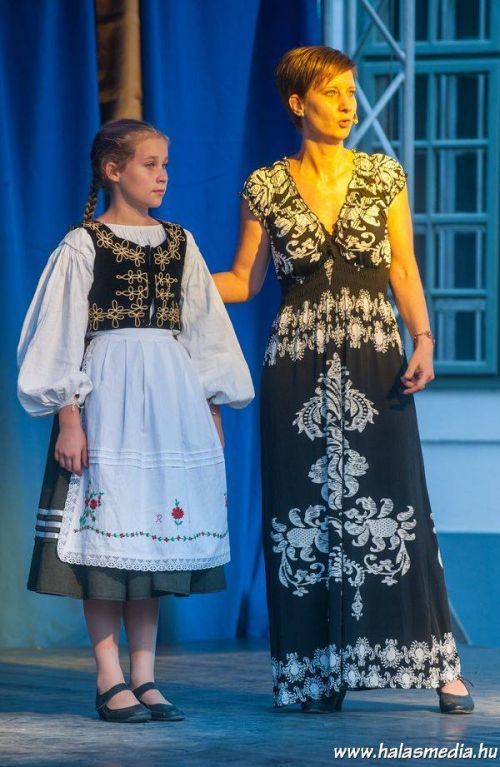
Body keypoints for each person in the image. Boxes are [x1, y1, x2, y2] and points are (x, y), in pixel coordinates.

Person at [213, 46, 473, 714]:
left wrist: (424, 338)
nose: (347, 105)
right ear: (298, 103)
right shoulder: (264, 186)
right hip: (296, 364)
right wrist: (170, 272)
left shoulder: (383, 175)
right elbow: (243, 280)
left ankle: (438, 665)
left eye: (352, 93)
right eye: (332, 93)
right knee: (301, 515)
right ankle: (314, 672)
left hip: (375, 356)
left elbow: (403, 269)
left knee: (398, 504)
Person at [17, 118, 254, 723]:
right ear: (113, 170)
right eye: (150, 164)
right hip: (110, 400)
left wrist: (212, 407)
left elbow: (204, 329)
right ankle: (109, 677)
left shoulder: (180, 242)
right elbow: (59, 335)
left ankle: (146, 677)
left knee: (149, 544)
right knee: (106, 546)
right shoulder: (84, 244)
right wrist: (69, 417)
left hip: (172, 402)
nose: (162, 175)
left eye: (165, 164)